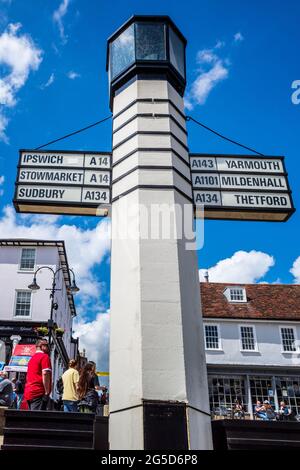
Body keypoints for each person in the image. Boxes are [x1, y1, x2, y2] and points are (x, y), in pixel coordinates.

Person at [24, 338, 52, 411]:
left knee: (32, 416)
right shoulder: (44, 357)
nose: (48, 348)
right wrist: (46, 391)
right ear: (41, 346)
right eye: (46, 345)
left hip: (29, 392)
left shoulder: (32, 358)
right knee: (37, 419)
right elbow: (45, 373)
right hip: (38, 392)